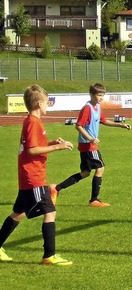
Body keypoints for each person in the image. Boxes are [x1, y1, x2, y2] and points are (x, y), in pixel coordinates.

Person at [0, 85, 74, 266]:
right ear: (39, 103)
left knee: (18, 213)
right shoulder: (34, 122)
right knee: (50, 211)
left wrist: (51, 142)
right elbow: (32, 150)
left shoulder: (31, 121)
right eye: (47, 102)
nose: (48, 105)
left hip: (29, 178)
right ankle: (49, 255)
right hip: (34, 178)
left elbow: (33, 146)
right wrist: (58, 147)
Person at [51, 83, 131, 207]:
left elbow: (104, 121)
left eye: (103, 95)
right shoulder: (87, 108)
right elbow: (78, 126)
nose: (101, 98)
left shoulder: (98, 107)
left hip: (88, 145)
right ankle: (94, 200)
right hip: (88, 145)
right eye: (99, 95)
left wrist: (120, 125)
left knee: (85, 173)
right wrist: (91, 139)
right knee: (100, 168)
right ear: (92, 94)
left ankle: (56, 188)